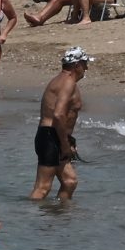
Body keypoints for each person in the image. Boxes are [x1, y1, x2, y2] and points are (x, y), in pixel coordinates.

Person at [30, 47, 91, 201]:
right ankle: (29, 218)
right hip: (50, 137)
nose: (86, 68)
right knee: (42, 188)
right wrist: (64, 145)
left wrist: (68, 140)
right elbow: (58, 115)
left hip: (55, 136)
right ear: (76, 65)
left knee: (69, 182)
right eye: (84, 64)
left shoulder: (63, 81)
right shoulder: (67, 83)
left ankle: (60, 219)